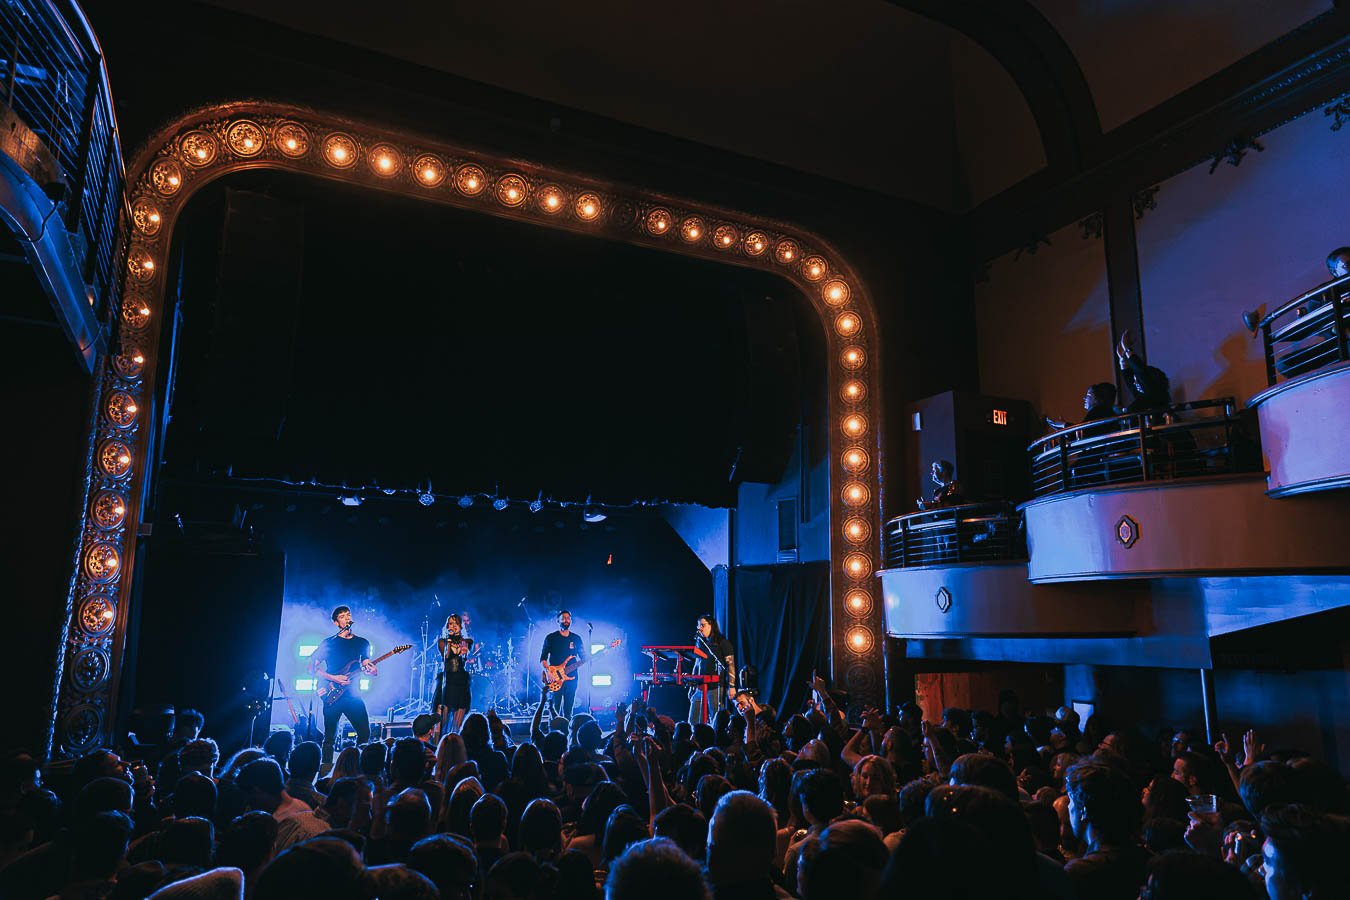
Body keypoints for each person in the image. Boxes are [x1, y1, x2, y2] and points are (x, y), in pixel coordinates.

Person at [312, 606, 379, 762]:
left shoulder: (362, 642)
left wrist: (372, 670)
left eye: (348, 615)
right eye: (342, 616)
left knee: (364, 733)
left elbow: (366, 663)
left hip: (352, 693)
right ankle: (326, 769)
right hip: (331, 692)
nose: (347, 618)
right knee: (329, 737)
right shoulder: (329, 643)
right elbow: (312, 669)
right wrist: (334, 678)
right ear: (336, 622)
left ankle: (356, 767)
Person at [540, 610, 588, 719]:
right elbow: (543, 658)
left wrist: (599, 655)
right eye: (563, 618)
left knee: (568, 710)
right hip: (555, 678)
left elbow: (584, 657)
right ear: (558, 621)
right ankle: (553, 733)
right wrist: (548, 672)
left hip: (572, 677)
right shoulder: (551, 638)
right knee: (554, 710)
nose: (566, 620)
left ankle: (568, 733)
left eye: (568, 618)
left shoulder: (576, 638)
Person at [690, 614, 735, 724]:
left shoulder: (722, 642)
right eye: (698, 626)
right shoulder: (700, 643)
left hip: (716, 686)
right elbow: (697, 663)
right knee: (694, 719)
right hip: (700, 686)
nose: (700, 628)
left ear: (711, 625)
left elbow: (730, 665)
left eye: (702, 625)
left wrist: (732, 686)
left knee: (716, 718)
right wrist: (692, 683)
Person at [436, 615, 474, 735]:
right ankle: (437, 744)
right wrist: (448, 639)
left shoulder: (467, 641)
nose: (453, 626)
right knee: (442, 713)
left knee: (460, 711)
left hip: (461, 679)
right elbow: (446, 656)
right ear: (447, 626)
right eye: (451, 623)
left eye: (456, 623)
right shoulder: (442, 641)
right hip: (447, 679)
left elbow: (463, 655)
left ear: (460, 626)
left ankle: (456, 742)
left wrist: (462, 645)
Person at [1045, 382, 1118, 430]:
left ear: (1097, 398)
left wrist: (1063, 424)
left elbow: (1083, 432)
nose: (1084, 398)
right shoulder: (1106, 412)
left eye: (1088, 395)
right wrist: (1062, 427)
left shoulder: (1098, 412)